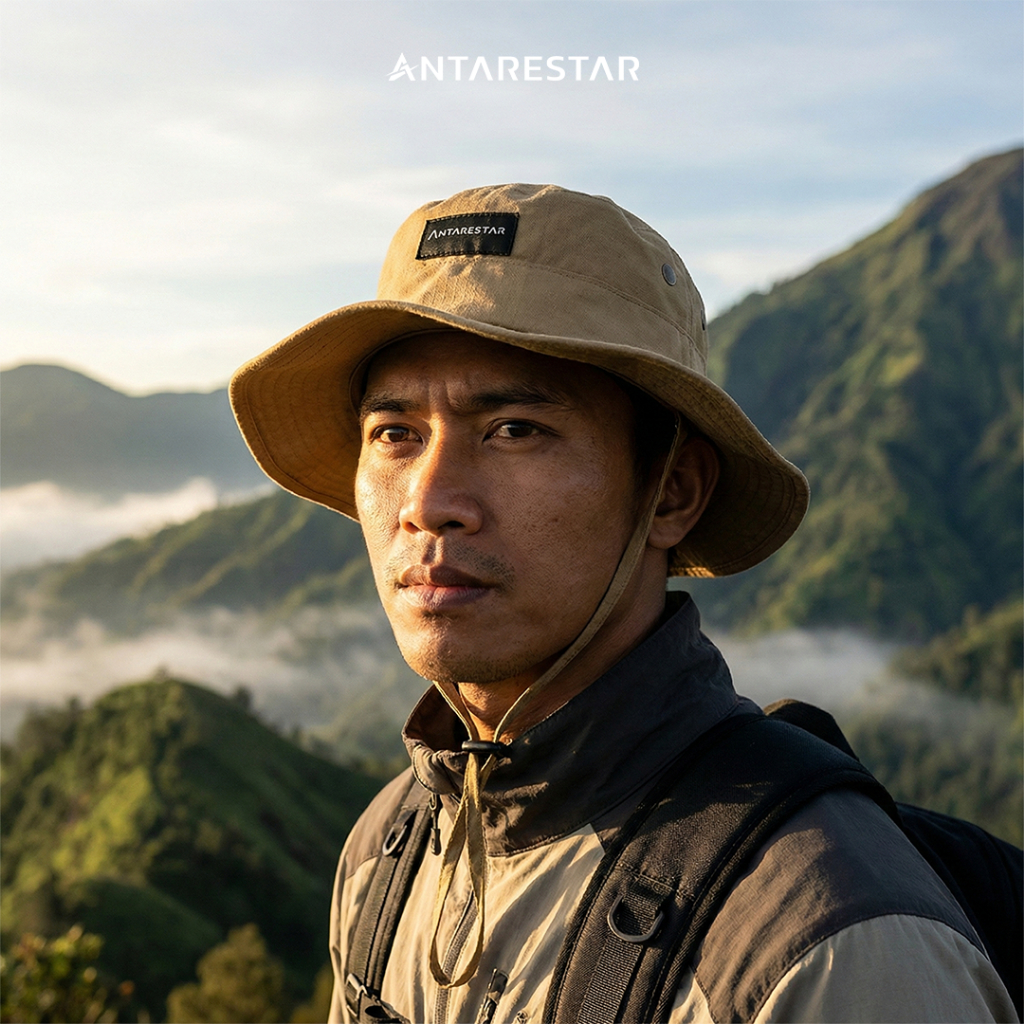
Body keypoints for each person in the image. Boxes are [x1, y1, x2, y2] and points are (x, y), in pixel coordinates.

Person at [230, 184, 1016, 1023]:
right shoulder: (388, 852)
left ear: (672, 490)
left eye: (514, 429)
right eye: (395, 434)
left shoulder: (819, 942)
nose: (428, 501)